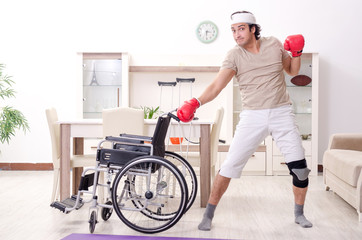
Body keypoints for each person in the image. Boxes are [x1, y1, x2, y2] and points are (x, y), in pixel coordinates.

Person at [177, 11, 313, 230]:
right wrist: (195, 102)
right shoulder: (234, 55)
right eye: (233, 30)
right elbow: (216, 86)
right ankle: (209, 215)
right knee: (229, 166)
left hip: (281, 112)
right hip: (253, 115)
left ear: (253, 29)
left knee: (300, 169)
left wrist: (296, 52)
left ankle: (299, 213)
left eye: (241, 29)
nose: (236, 34)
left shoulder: (274, 44)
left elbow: (292, 71)